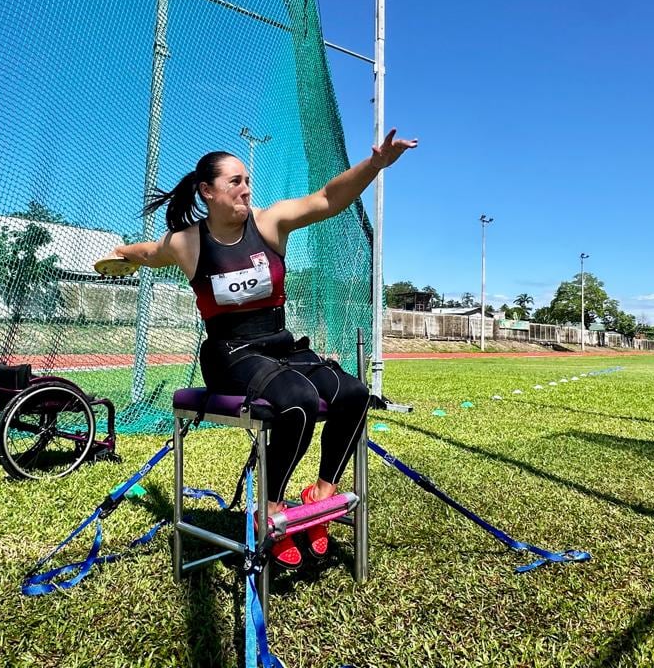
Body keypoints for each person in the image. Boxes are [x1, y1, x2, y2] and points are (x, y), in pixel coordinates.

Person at [100, 130, 417, 568]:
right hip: (230, 353)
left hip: (280, 346)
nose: (246, 188)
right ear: (207, 191)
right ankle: (268, 510)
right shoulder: (187, 242)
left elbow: (327, 199)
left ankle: (320, 498)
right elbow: (152, 252)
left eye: (247, 179)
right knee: (298, 402)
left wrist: (375, 164)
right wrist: (123, 253)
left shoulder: (269, 224)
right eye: (235, 182)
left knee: (355, 394)